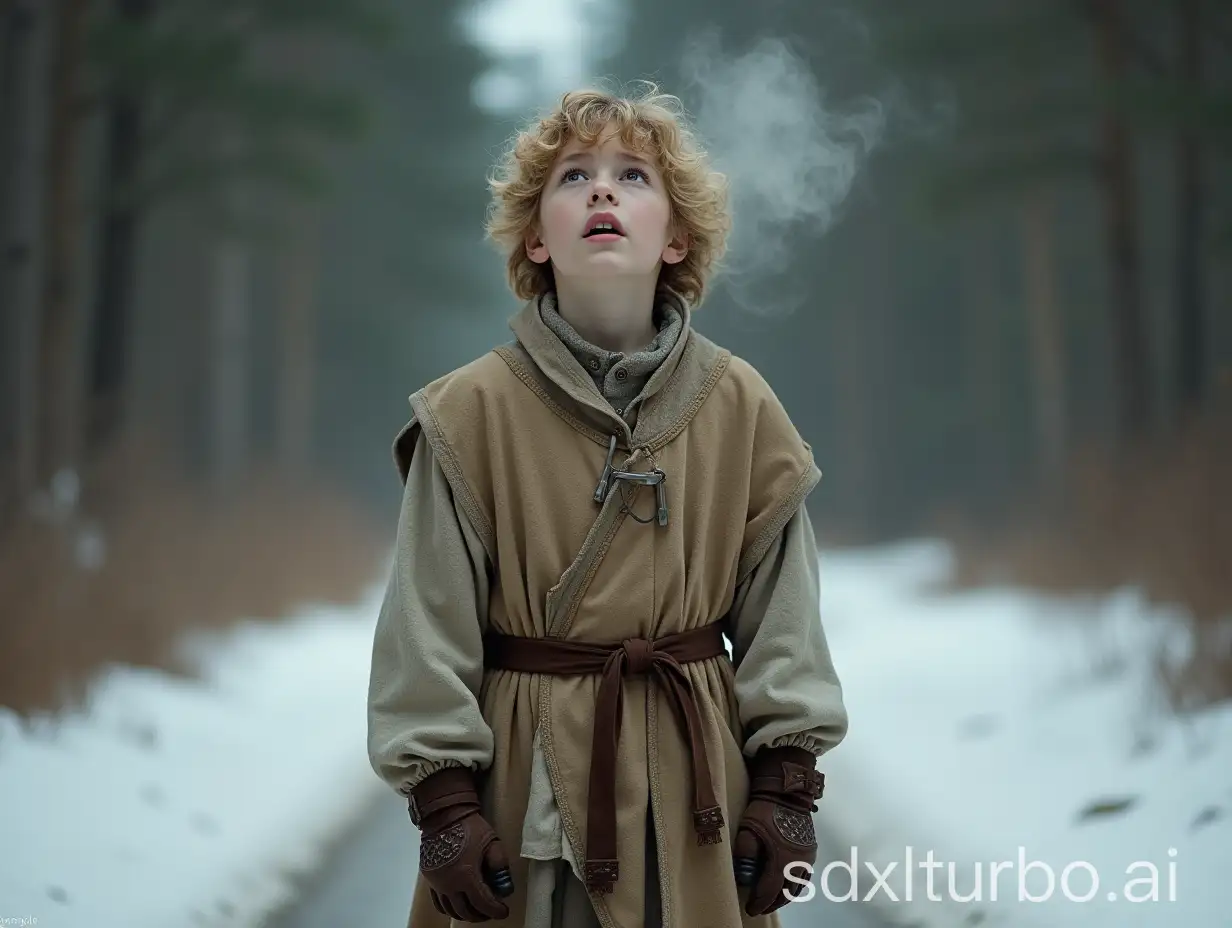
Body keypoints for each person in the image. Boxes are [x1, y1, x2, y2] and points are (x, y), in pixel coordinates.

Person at [366, 81, 849, 928]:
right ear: (534, 237)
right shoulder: (468, 412)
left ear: (677, 237)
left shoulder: (739, 405)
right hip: (525, 791)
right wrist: (445, 804)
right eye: (572, 177)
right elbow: (425, 622)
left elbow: (787, 618)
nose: (600, 190)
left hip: (698, 794)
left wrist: (787, 786)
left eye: (633, 177)